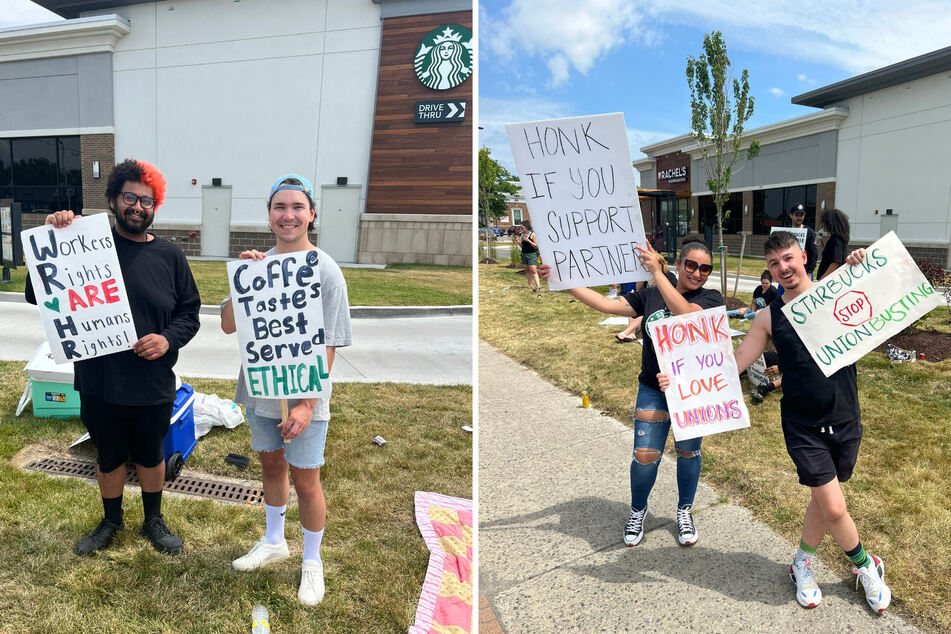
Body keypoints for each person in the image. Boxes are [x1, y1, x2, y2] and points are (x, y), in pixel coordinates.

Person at [685, 231, 890, 613]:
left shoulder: (833, 292)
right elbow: (733, 365)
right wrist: (681, 381)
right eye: (774, 263)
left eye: (788, 259)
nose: (782, 268)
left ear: (803, 257)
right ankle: (866, 566)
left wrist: (862, 267)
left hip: (845, 416)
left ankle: (801, 563)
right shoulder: (768, 317)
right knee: (832, 506)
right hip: (802, 424)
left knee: (822, 498)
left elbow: (881, 294)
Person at [25, 159, 201, 556]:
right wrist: (54, 237)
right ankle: (111, 520)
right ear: (111, 200)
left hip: (151, 380)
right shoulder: (84, 245)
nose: (138, 206)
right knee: (108, 455)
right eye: (130, 197)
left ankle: (153, 519)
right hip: (99, 379)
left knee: (151, 453)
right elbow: (39, 293)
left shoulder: (171, 257)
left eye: (147, 200)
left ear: (156, 207)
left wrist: (167, 340)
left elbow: (190, 314)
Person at [221, 174, 352, 607]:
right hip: (261, 390)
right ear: (270, 215)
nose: (288, 215)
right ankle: (274, 540)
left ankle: (312, 562)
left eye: (297, 207)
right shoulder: (258, 267)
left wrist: (306, 405)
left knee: (307, 479)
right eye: (280, 207)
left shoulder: (326, 271)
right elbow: (226, 324)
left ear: (312, 214)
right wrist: (244, 280)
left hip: (305, 396)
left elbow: (330, 342)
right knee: (272, 469)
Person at [540, 239, 723, 547]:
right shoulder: (650, 295)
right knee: (644, 457)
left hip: (692, 392)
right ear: (679, 264)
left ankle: (684, 510)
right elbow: (605, 304)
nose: (697, 273)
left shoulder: (711, 297)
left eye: (705, 268)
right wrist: (563, 281)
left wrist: (659, 274)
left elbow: (687, 316)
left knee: (688, 453)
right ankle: (638, 510)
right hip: (652, 388)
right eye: (691, 265)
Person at [816, 208, 850, 280]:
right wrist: (821, 244)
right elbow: (831, 255)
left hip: (829, 280)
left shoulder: (836, 240)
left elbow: (835, 262)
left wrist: (822, 279)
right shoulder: (838, 239)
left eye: (825, 223)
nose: (824, 226)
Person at [790, 203, 819, 279]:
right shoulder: (786, 232)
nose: (799, 217)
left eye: (801, 215)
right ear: (791, 216)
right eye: (796, 215)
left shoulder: (810, 232)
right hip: (788, 272)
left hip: (804, 273)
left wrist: (809, 273)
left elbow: (814, 253)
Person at [516, 220, 541, 291]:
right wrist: (517, 241)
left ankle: (538, 286)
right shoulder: (522, 235)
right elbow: (521, 246)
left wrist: (528, 240)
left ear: (526, 227)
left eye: (522, 227)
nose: (521, 229)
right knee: (527, 270)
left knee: (533, 270)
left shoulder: (532, 235)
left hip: (531, 254)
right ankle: (530, 285)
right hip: (524, 254)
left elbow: (536, 246)